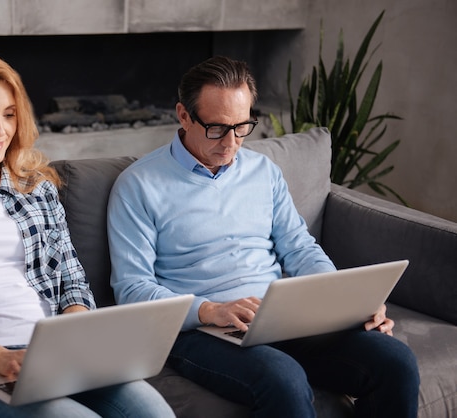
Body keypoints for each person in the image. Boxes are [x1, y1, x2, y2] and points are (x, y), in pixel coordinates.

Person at [107, 55, 420, 417]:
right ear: (183, 115)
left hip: (280, 316)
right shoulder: (139, 185)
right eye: (217, 128)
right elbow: (132, 288)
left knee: (395, 360)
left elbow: (300, 248)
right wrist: (210, 310)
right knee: (283, 379)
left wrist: (345, 301)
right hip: (197, 331)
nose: (231, 143)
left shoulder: (263, 171)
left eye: (242, 127)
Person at [0, 51, 174, 418]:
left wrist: (74, 332)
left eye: (9, 114)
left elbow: (72, 281)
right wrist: (2, 358)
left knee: (155, 412)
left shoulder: (37, 190)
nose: (0, 130)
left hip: (53, 354)